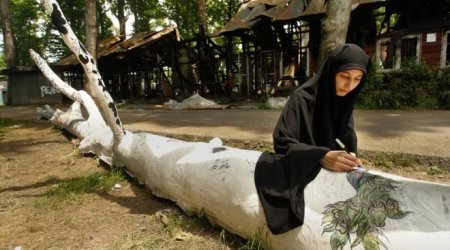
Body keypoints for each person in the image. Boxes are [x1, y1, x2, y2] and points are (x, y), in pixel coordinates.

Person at [254, 43, 371, 235]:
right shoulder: (301, 98)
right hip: (305, 171)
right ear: (331, 71)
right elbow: (282, 141)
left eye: (358, 79)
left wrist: (350, 157)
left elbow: (346, 139)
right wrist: (321, 156)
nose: (350, 86)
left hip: (333, 178)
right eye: (344, 76)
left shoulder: (344, 100)